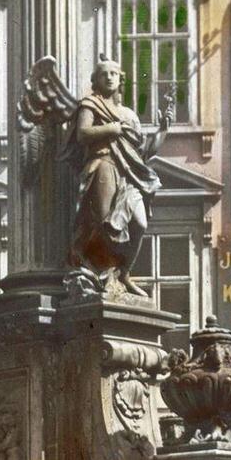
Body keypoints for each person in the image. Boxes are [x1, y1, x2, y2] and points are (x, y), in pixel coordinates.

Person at [65, 61, 170, 295]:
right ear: (96, 80)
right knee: (106, 224)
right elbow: (83, 134)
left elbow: (141, 153)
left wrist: (162, 130)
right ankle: (100, 276)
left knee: (140, 224)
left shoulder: (129, 115)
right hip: (103, 165)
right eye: (104, 75)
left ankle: (124, 273)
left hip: (129, 174)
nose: (109, 78)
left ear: (120, 79)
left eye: (114, 74)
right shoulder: (90, 105)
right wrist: (112, 129)